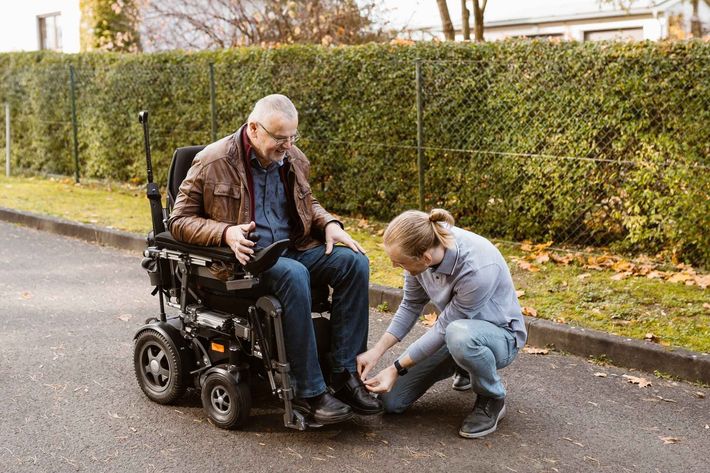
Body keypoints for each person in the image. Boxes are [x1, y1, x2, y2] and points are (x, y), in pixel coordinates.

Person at [169, 94, 382, 425]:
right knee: (293, 274)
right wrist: (225, 233)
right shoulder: (212, 162)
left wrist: (329, 224)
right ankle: (309, 393)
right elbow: (178, 221)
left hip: (292, 246)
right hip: (243, 260)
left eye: (293, 137)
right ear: (254, 129)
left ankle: (343, 375)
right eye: (281, 138)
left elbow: (307, 202)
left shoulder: (292, 157)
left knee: (354, 262)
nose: (289, 146)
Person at [357, 209, 527, 438]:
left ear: (425, 258)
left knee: (459, 335)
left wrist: (395, 368)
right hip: (455, 334)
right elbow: (410, 305)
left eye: (399, 263)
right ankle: (465, 365)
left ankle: (492, 397)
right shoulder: (423, 246)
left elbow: (443, 328)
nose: (396, 267)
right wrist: (376, 352)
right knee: (391, 402)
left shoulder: (477, 268)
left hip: (500, 337)